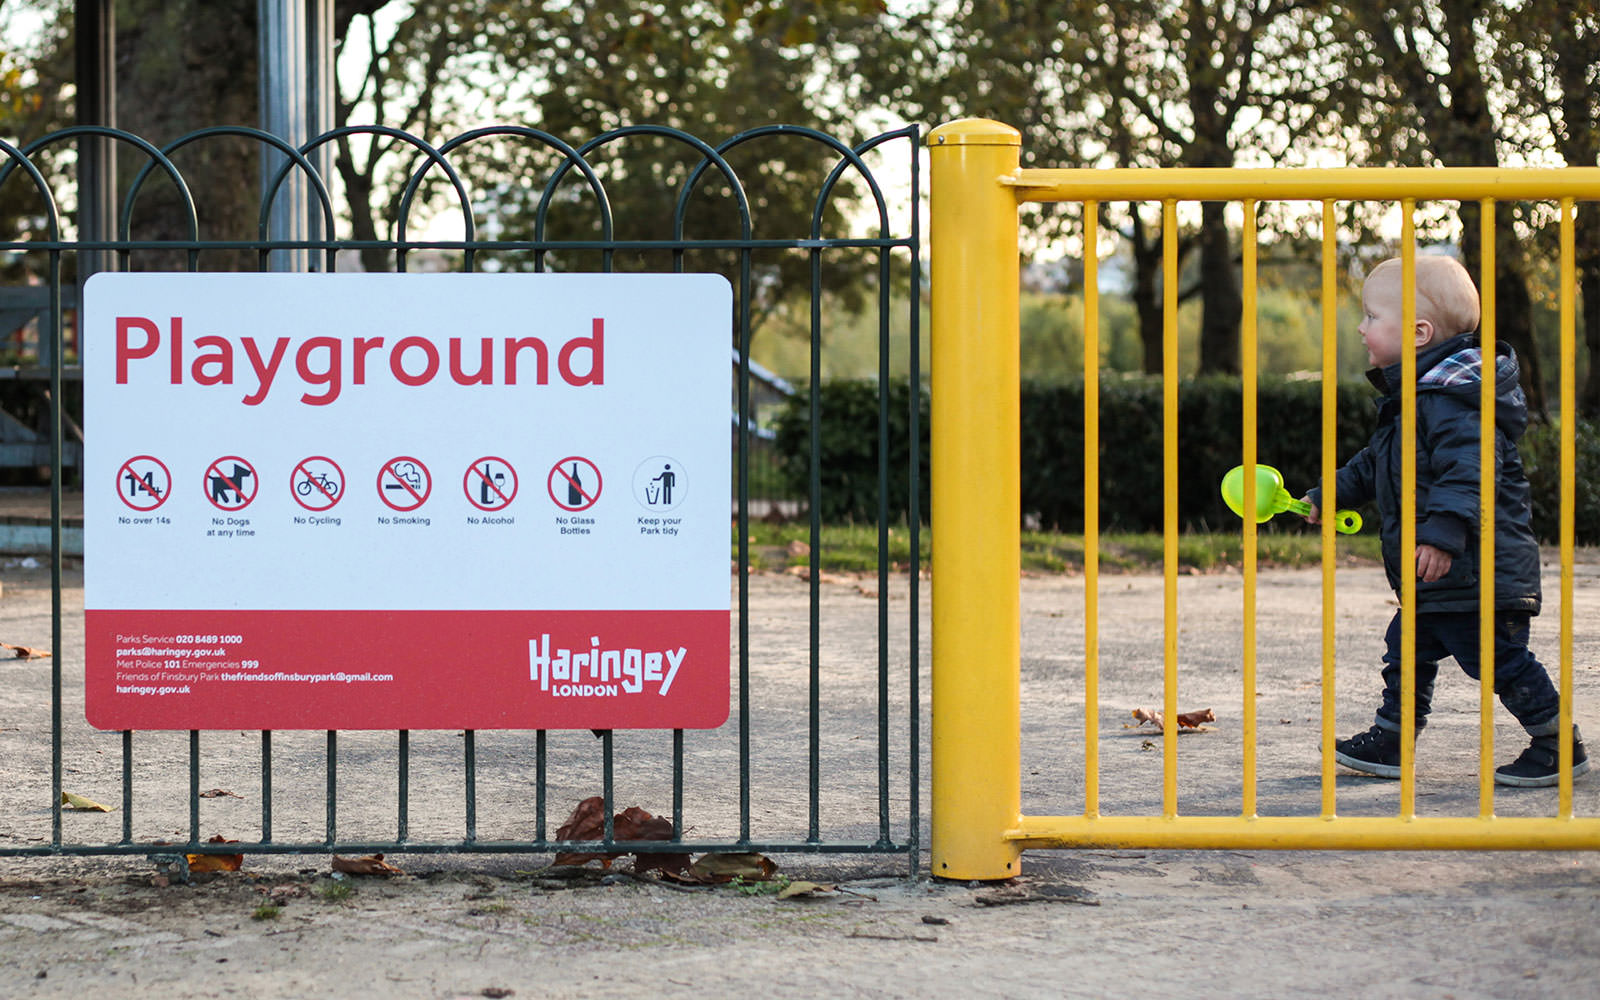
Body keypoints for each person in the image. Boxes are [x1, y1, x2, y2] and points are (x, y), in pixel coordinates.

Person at [1304, 254, 1588, 787]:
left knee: (1498, 660)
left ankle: (1555, 741)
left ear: (1417, 332)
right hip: (1441, 575)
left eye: (1371, 317)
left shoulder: (1455, 404)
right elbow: (1376, 464)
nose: (1362, 328)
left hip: (1477, 570)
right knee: (1407, 649)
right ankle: (1391, 739)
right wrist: (1331, 493)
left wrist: (1442, 535)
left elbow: (1469, 474)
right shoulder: (1417, 399)